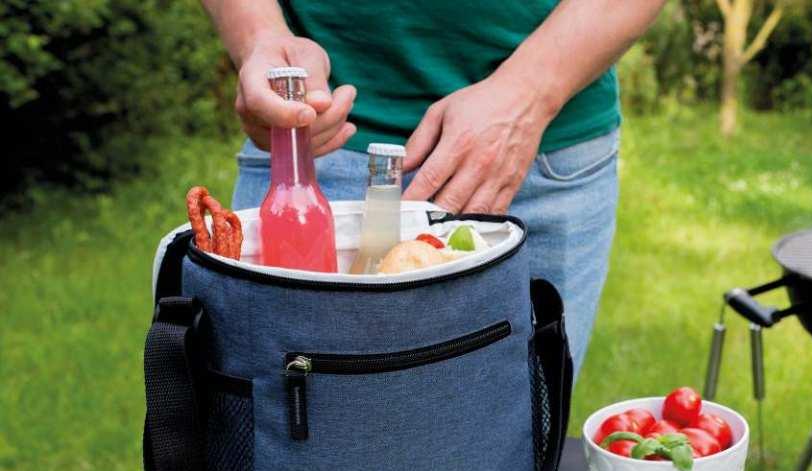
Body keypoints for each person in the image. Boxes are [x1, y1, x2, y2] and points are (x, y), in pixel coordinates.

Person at [201, 1, 665, 374]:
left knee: (513, 445)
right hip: (310, 154)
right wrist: (260, 37)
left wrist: (530, 92)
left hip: (536, 152)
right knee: (288, 442)